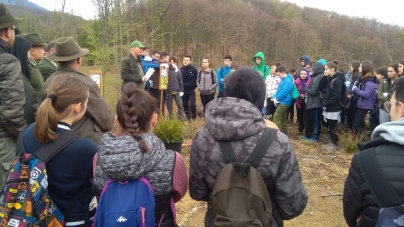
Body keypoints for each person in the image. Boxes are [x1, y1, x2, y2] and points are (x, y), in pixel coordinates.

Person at [189, 67, 307, 227]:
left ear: (227, 94)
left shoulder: (202, 136)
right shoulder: (278, 142)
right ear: (259, 98)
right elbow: (292, 206)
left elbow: (198, 192)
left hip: (218, 220)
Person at [95, 83, 188, 226]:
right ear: (155, 119)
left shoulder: (98, 159)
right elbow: (178, 195)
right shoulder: (175, 160)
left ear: (117, 120)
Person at [23, 75, 97, 226]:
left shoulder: (26, 133)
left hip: (34, 217)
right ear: (78, 107)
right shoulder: (84, 148)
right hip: (71, 220)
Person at [343, 76, 404, 227]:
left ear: (401, 108)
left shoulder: (366, 160)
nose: (389, 111)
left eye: (390, 105)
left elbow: (351, 213)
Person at [44, 37, 114, 144]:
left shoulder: (48, 82)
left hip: (54, 141)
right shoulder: (84, 83)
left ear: (57, 60)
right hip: (83, 142)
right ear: (78, 59)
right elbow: (106, 120)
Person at [0, 3, 26, 187]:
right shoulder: (8, 62)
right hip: (3, 144)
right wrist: (24, 138)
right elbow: (12, 113)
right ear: (8, 31)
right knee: (7, 203)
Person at [11, 36, 39, 124]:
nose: (28, 55)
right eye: (27, 51)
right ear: (21, 52)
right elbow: (29, 107)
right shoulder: (18, 77)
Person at [321, 62, 345, 150]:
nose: (325, 71)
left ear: (333, 69)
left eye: (326, 69)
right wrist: (324, 77)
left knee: (332, 126)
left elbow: (337, 96)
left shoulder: (337, 81)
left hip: (333, 107)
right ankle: (332, 141)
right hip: (329, 106)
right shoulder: (330, 79)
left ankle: (334, 143)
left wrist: (327, 103)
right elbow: (322, 87)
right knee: (329, 125)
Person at [351, 61, 378, 134]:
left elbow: (366, 94)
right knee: (360, 124)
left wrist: (355, 89)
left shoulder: (370, 81)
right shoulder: (363, 79)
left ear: (365, 68)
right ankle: (360, 140)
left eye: (360, 66)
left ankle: (363, 140)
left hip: (364, 106)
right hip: (361, 104)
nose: (359, 68)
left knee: (355, 125)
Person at [301, 62, 325, 142]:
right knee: (307, 118)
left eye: (313, 69)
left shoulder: (319, 77)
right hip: (310, 102)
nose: (311, 70)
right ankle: (308, 135)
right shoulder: (313, 77)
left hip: (316, 103)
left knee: (316, 121)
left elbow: (314, 91)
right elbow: (309, 87)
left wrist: (306, 89)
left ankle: (315, 137)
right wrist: (307, 88)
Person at [24, 32, 46, 100]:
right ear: (32, 50)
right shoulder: (28, 68)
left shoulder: (33, 66)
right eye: (42, 48)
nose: (44, 52)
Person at [273, 66, 293, 134]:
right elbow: (279, 90)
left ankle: (278, 132)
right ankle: (283, 131)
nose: (278, 76)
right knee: (282, 116)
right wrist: (275, 97)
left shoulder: (288, 81)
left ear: (283, 72)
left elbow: (284, 92)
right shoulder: (283, 80)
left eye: (279, 74)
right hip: (282, 101)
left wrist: (277, 98)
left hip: (285, 101)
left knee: (277, 116)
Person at [295, 67, 311, 133]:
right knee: (301, 115)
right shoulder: (296, 81)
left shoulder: (310, 81)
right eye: (302, 74)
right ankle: (300, 129)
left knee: (306, 115)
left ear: (307, 74)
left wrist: (305, 94)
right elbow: (295, 90)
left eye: (304, 74)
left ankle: (307, 129)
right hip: (299, 100)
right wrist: (300, 94)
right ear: (299, 74)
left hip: (307, 100)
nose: (303, 75)